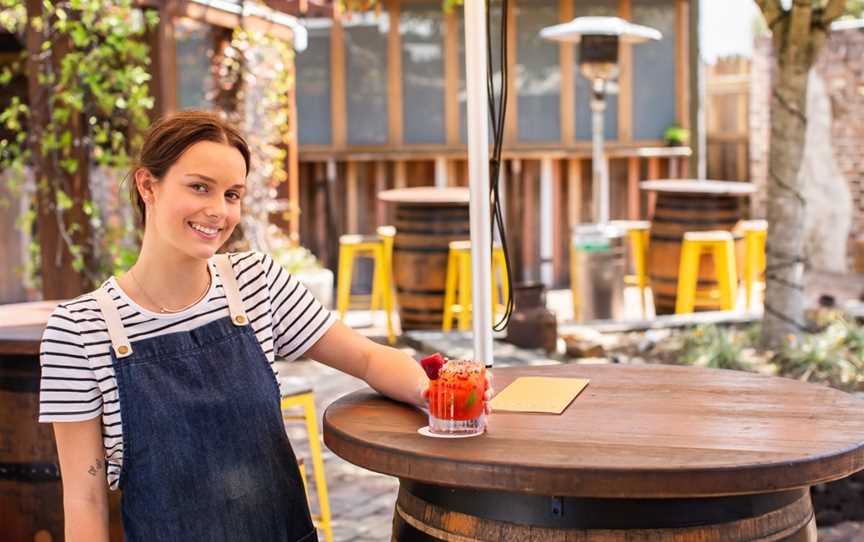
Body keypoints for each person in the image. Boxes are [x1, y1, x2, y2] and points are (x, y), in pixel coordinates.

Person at [38, 111, 483, 541]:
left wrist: (434, 393)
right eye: (199, 187)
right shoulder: (81, 330)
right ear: (147, 185)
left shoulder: (254, 281)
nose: (218, 211)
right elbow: (85, 502)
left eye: (232, 194)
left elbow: (366, 356)